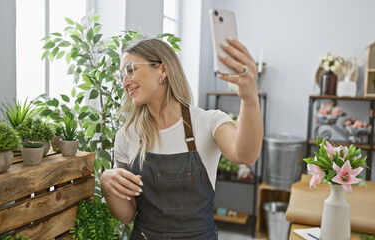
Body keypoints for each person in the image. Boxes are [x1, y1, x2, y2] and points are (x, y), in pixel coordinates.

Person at [100, 38, 263, 240]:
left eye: (131, 69)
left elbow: (245, 155)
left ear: (163, 70)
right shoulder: (126, 135)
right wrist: (107, 185)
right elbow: (127, 215)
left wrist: (249, 98)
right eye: (122, 75)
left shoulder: (208, 121)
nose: (125, 82)